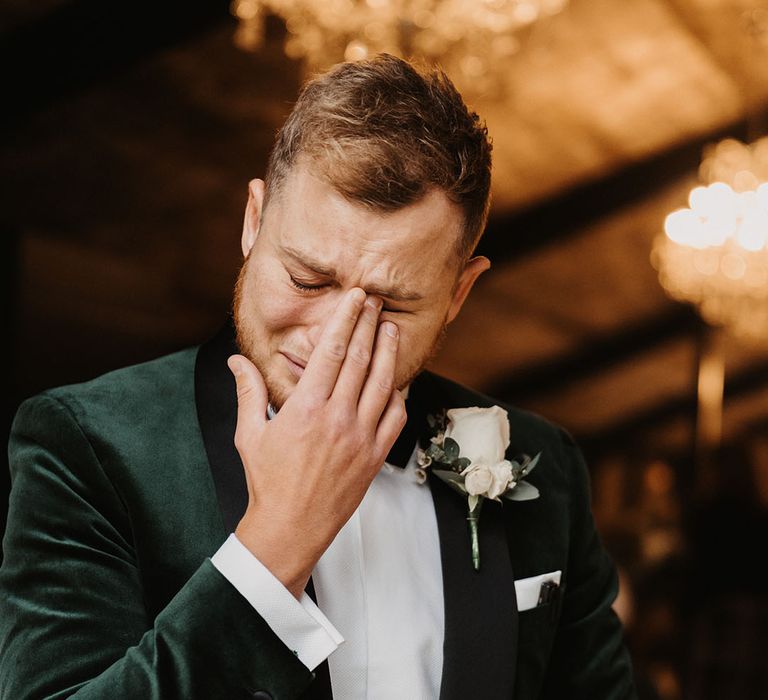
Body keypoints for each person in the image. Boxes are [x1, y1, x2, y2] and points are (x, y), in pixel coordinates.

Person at [0, 54, 636, 699]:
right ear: (254, 221)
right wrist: (274, 548)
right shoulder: (87, 444)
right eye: (307, 279)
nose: (335, 337)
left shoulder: (542, 462)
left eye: (391, 305)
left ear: (458, 295)